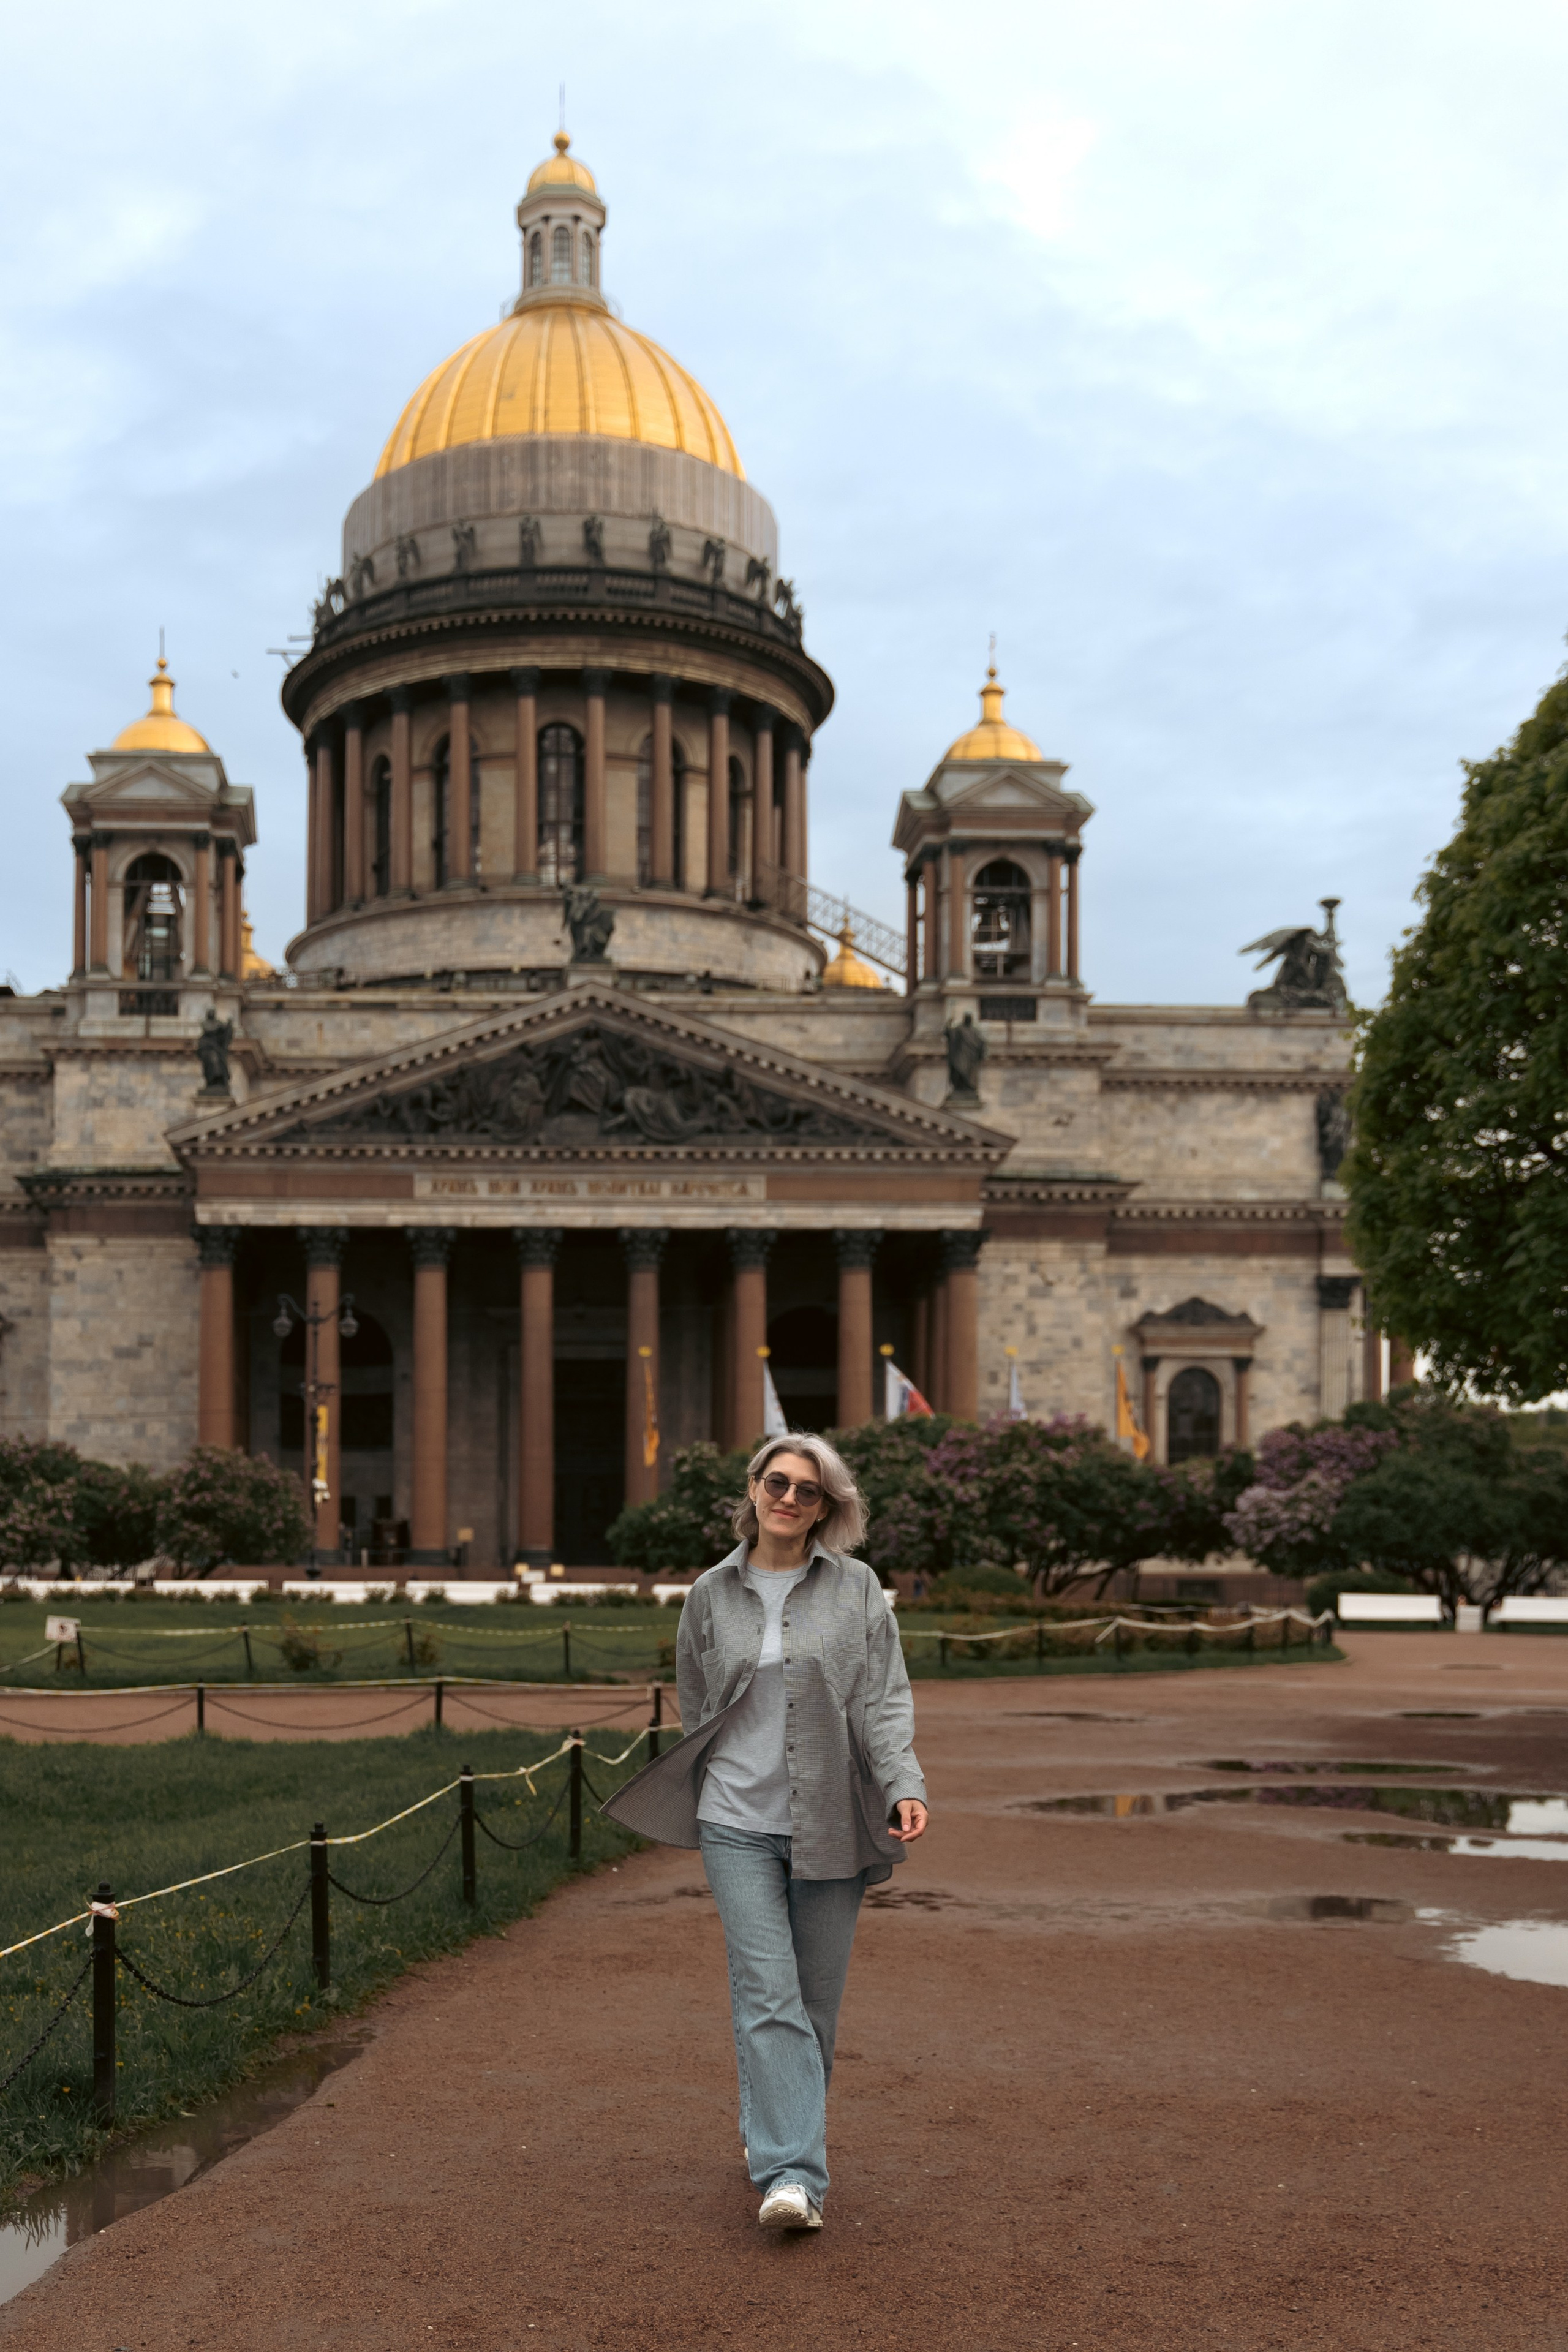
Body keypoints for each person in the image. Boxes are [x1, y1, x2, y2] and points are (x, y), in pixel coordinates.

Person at [601, 1431, 929, 2232]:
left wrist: (904, 1782)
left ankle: (769, 2132)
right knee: (768, 1992)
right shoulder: (709, 1594)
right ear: (751, 1490)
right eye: (775, 1482)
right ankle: (793, 2178)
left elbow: (883, 1699)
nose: (787, 1498)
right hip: (736, 1823)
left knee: (812, 2005)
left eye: (806, 1491)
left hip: (833, 1821)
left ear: (828, 1509)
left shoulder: (856, 1589)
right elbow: (696, 1695)